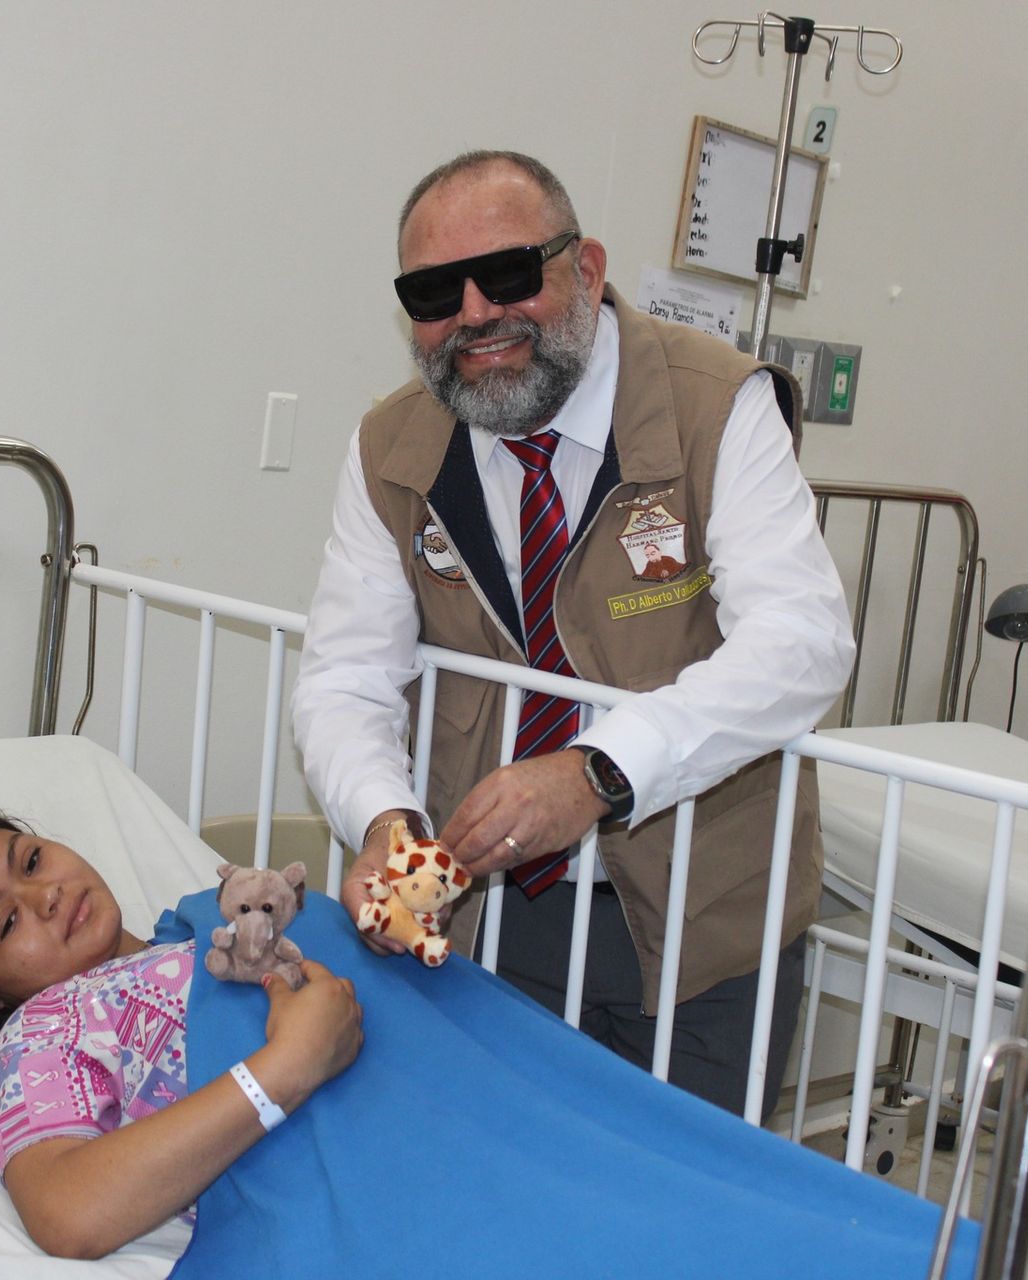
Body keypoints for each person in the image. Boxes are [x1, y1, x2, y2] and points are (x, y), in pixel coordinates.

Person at [290, 150, 855, 1118]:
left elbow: (803, 641)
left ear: (586, 270)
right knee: (491, 1183)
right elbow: (345, 675)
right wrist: (384, 819)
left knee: (676, 1221)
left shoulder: (715, 406)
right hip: (492, 912)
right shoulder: (393, 450)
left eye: (510, 274)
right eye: (434, 292)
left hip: (698, 919)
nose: (474, 313)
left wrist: (597, 769)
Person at [0, 807, 363, 1260]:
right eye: (7, 924)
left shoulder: (216, 914)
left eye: (32, 861)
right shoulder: (45, 1029)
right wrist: (288, 1068)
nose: (47, 895)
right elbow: (67, 1209)